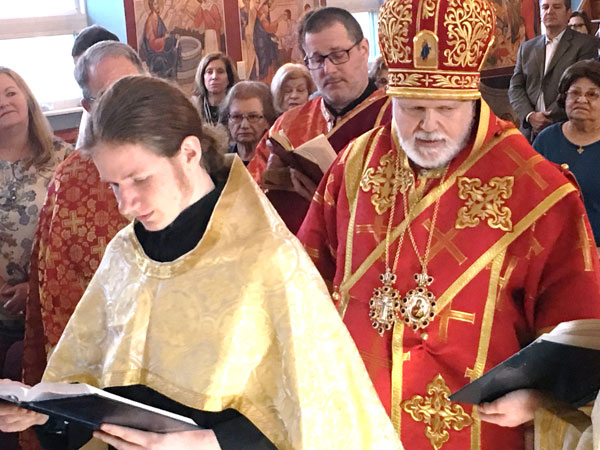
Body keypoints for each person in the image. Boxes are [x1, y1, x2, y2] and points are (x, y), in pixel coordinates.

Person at [0, 75, 402, 450]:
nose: (126, 206)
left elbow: (324, 417)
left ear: (189, 152)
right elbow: (93, 392)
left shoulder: (268, 258)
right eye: (113, 186)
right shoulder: (126, 252)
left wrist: (212, 441)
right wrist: (41, 413)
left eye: (140, 180)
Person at [297, 0, 600, 448]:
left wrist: (541, 400)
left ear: (474, 97)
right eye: (413, 107)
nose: (428, 126)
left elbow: (578, 331)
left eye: (445, 107)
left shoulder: (536, 189)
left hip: (475, 430)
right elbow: (303, 280)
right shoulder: (354, 165)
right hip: (356, 425)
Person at [22, 41, 143, 397]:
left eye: (131, 87)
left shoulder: (192, 155)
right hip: (105, 346)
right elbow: (58, 283)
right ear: (89, 106)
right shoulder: (72, 176)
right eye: (108, 95)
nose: (124, 104)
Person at [248, 7, 392, 233]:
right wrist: (274, 182)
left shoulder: (396, 118)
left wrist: (333, 198)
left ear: (364, 49)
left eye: (338, 55)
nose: (329, 69)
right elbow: (252, 197)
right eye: (316, 59)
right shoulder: (288, 125)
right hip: (299, 258)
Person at [0, 67, 71, 379]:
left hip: (49, 308)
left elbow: (76, 235)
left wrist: (35, 287)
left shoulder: (65, 159)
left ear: (27, 98)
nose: (3, 102)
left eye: (10, 93)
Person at [508, 0, 598, 143]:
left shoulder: (585, 44)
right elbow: (515, 87)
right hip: (529, 131)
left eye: (556, 7)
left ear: (568, 13)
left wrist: (547, 118)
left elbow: (579, 86)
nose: (549, 11)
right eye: (545, 7)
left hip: (565, 128)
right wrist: (530, 115)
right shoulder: (526, 48)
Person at [533, 60, 600, 246]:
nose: (581, 99)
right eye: (575, 93)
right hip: (554, 254)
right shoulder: (546, 140)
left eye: (592, 94)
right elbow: (530, 197)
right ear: (565, 98)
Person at [71, 24, 121, 150]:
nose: (81, 78)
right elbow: (82, 152)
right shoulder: (90, 101)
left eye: (85, 68)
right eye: (77, 69)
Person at [220, 80, 276, 164]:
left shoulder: (275, 163)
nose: (244, 125)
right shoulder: (220, 164)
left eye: (253, 117)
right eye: (236, 117)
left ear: (267, 121)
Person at [191, 52, 238, 126]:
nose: (214, 77)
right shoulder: (193, 107)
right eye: (209, 72)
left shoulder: (238, 106)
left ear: (229, 78)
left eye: (220, 72)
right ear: (202, 77)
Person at [140, 0, 179, 79]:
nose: (157, 6)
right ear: (151, 6)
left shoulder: (157, 18)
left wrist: (173, 36)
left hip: (160, 46)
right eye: (155, 4)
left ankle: (172, 78)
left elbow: (165, 33)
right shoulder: (151, 21)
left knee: (175, 48)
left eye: (158, 3)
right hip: (154, 52)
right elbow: (152, 43)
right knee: (167, 56)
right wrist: (165, 38)